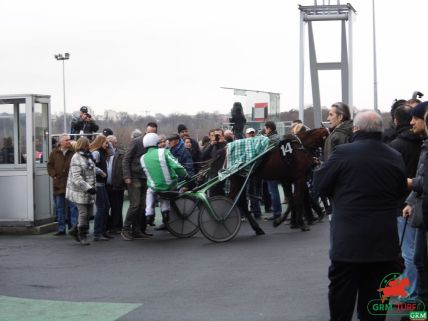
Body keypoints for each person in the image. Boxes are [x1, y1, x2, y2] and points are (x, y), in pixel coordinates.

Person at [314, 110, 407, 321]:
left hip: (348, 240)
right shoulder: (394, 156)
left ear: (356, 129)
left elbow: (320, 185)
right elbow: (400, 191)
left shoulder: (342, 153)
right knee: (375, 298)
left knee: (341, 296)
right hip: (383, 240)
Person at [389, 105, 422, 303]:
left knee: (407, 249)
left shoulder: (395, 146)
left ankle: (411, 291)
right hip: (415, 199)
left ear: (395, 121)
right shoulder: (422, 142)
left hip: (404, 203)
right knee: (415, 249)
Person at [403, 101, 428, 309]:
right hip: (422, 210)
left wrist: (410, 183)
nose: (411, 123)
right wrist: (411, 201)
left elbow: (423, 180)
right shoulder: (424, 144)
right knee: (420, 260)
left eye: (415, 118)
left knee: (422, 261)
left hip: (426, 212)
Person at [140, 133, 189, 232]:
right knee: (165, 193)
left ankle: (149, 213)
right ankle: (165, 212)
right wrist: (186, 176)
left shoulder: (142, 158)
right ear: (156, 142)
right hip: (170, 184)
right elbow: (177, 166)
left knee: (150, 191)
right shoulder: (164, 152)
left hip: (155, 186)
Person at [121, 123, 155, 241]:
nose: (150, 134)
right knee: (135, 205)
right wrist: (127, 176)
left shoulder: (154, 144)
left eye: (153, 132)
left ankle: (136, 230)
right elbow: (126, 159)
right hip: (134, 177)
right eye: (149, 132)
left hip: (146, 177)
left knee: (142, 206)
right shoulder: (136, 142)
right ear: (146, 131)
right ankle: (125, 229)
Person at [65, 137, 97, 246]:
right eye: (87, 144)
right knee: (83, 214)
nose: (89, 146)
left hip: (89, 190)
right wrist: (88, 188)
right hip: (80, 190)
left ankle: (74, 230)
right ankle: (82, 235)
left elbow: (91, 168)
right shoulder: (76, 158)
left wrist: (100, 172)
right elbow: (76, 177)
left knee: (90, 214)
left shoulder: (88, 156)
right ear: (83, 145)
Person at [47, 134, 78, 235]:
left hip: (71, 184)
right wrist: (54, 175)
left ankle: (73, 227)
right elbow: (49, 165)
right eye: (66, 140)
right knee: (59, 207)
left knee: (72, 207)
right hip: (58, 183)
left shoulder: (73, 152)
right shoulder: (54, 153)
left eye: (69, 140)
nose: (68, 141)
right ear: (60, 142)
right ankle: (61, 228)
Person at [89, 135, 112, 241]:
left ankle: (102, 230)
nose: (107, 145)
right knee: (101, 207)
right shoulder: (96, 153)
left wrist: (109, 145)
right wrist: (100, 172)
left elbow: (112, 152)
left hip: (102, 184)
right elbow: (91, 166)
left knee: (106, 207)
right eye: (106, 142)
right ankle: (97, 232)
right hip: (98, 184)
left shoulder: (102, 152)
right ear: (100, 142)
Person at [106, 135, 125, 234]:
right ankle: (109, 225)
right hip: (106, 184)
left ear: (114, 143)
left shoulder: (121, 154)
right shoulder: (104, 153)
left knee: (117, 206)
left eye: (110, 142)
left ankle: (117, 226)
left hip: (117, 184)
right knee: (105, 206)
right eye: (107, 142)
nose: (108, 144)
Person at [263, 121, 282, 221]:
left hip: (272, 168)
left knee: (273, 191)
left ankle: (277, 213)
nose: (265, 131)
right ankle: (277, 212)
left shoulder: (270, 139)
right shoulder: (277, 137)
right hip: (278, 168)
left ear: (269, 128)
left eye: (265, 129)